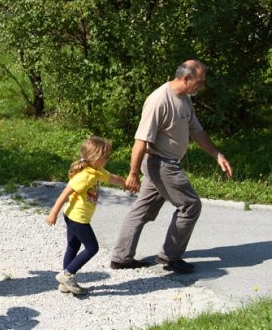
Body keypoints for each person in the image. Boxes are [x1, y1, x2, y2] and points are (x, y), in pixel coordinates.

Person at [111, 60, 233, 274]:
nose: (202, 86)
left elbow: (196, 131)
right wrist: (132, 174)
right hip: (161, 163)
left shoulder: (185, 99)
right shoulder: (159, 100)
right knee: (191, 205)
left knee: (142, 210)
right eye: (200, 81)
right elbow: (140, 140)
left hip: (165, 163)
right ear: (186, 79)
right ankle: (170, 256)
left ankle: (121, 257)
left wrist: (217, 154)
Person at [46, 137, 126, 295]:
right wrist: (53, 213)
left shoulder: (97, 171)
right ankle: (67, 275)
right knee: (92, 247)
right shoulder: (85, 176)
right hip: (77, 218)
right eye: (105, 156)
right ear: (95, 157)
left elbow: (112, 178)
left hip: (73, 215)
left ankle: (65, 283)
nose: (108, 159)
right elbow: (65, 193)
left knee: (73, 246)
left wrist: (125, 183)